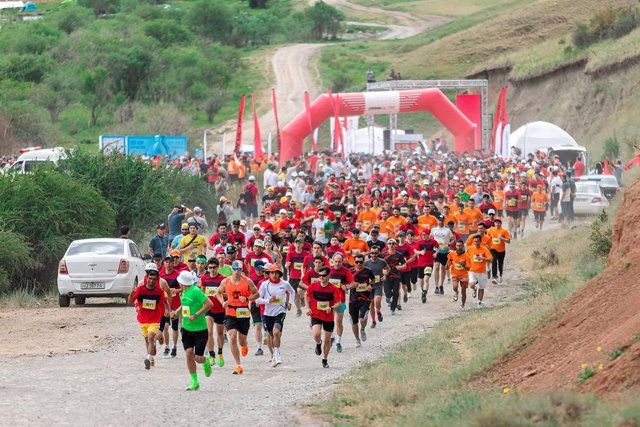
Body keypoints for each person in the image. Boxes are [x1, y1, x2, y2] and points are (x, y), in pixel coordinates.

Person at [217, 260, 260, 375]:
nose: (237, 272)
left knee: (241, 340)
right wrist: (222, 302)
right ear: (232, 270)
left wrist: (247, 299)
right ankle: (238, 365)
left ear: (242, 270)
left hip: (243, 312)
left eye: (239, 270)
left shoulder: (247, 281)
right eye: (235, 269)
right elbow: (218, 293)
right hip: (230, 312)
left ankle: (244, 345)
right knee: (232, 337)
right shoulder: (225, 281)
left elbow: (257, 294)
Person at [128, 263, 170, 370]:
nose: (151, 280)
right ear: (146, 275)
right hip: (143, 318)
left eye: (153, 278)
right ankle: (152, 353)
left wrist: (168, 310)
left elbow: (166, 299)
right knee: (148, 340)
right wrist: (132, 296)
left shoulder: (161, 287)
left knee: (151, 337)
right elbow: (132, 301)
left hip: (156, 317)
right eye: (147, 274)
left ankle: (148, 358)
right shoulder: (141, 287)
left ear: (157, 278)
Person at [176, 270, 213, 391]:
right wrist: (177, 311)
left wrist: (196, 315)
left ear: (182, 282)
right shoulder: (184, 291)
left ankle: (205, 361)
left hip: (200, 329)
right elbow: (186, 305)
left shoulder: (196, 291)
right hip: (186, 328)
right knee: (188, 354)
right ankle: (195, 381)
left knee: (198, 358)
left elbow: (209, 304)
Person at [255, 264, 295, 367]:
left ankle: (277, 355)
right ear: (268, 274)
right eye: (272, 273)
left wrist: (290, 303)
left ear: (279, 274)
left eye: (276, 273)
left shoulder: (284, 283)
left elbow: (292, 292)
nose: (274, 275)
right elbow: (258, 300)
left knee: (276, 332)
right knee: (271, 335)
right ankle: (273, 355)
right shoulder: (264, 284)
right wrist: (268, 300)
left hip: (280, 311)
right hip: (268, 313)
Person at [305, 266, 343, 368]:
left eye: (323, 275)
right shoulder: (313, 286)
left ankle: (325, 359)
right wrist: (307, 308)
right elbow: (306, 295)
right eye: (320, 275)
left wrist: (331, 307)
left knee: (327, 339)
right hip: (316, 314)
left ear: (329, 276)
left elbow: (338, 303)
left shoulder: (334, 289)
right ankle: (318, 343)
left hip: (328, 316)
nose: (321, 277)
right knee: (316, 334)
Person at [201, 257, 226, 368]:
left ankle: (220, 353)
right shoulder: (204, 278)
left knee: (220, 333)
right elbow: (202, 294)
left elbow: (227, 294)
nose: (212, 270)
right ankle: (211, 355)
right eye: (210, 268)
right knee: (209, 332)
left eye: (214, 267)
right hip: (209, 309)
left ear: (217, 267)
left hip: (220, 309)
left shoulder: (223, 279)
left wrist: (219, 294)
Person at [328, 253, 354, 353]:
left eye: (339, 262)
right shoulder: (328, 270)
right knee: (329, 320)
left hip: (340, 299)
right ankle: (332, 337)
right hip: (329, 299)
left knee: (338, 321)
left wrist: (346, 287)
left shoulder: (346, 271)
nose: (338, 264)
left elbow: (353, 283)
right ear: (332, 261)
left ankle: (338, 341)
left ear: (342, 262)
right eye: (336, 261)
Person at [348, 254, 374, 348]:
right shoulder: (350, 271)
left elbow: (373, 280)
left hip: (365, 298)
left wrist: (370, 286)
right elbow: (346, 285)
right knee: (354, 322)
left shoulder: (368, 271)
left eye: (361, 262)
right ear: (354, 262)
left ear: (364, 262)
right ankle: (357, 340)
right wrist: (352, 285)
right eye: (356, 262)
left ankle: (362, 329)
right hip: (353, 300)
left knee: (363, 318)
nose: (358, 264)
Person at [466, 234, 493, 308]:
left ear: (480, 241)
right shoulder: (470, 248)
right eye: (474, 241)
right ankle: (474, 289)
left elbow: (491, 259)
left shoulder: (484, 249)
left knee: (481, 288)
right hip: (472, 271)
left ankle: (479, 302)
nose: (476, 243)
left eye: (477, 241)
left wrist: (483, 258)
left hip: (482, 272)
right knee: (471, 284)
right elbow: (466, 257)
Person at [364, 246, 388, 328]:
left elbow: (387, 269)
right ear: (370, 253)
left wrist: (385, 275)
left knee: (377, 301)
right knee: (371, 304)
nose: (374, 255)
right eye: (372, 253)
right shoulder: (366, 263)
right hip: (370, 286)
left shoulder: (382, 262)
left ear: (378, 253)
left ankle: (378, 310)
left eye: (375, 253)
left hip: (378, 284)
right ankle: (373, 321)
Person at [382, 238, 407, 315]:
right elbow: (380, 264)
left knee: (396, 292)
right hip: (386, 276)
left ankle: (393, 308)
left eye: (393, 243)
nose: (391, 245)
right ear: (387, 245)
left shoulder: (399, 255)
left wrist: (400, 267)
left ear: (396, 245)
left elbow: (405, 265)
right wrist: (383, 272)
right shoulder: (383, 254)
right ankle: (388, 297)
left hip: (396, 275)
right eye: (389, 243)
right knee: (388, 293)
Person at [430, 215, 454, 296]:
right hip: (436, 250)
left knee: (443, 268)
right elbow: (430, 238)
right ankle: (436, 286)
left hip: (445, 251)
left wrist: (449, 244)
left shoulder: (447, 230)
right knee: (436, 267)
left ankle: (441, 285)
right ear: (437, 221)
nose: (440, 222)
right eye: (439, 220)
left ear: (444, 221)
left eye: (442, 220)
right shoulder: (434, 229)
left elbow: (454, 239)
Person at [445, 240, 471, 310]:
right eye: (457, 246)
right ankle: (456, 292)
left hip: (464, 275)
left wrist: (464, 265)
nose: (458, 247)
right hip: (455, 273)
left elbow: (468, 268)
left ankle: (463, 305)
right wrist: (447, 266)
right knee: (455, 286)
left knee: (463, 291)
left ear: (463, 246)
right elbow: (450, 259)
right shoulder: (452, 253)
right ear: (455, 246)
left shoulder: (467, 256)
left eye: (460, 246)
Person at [487, 217, 510, 283]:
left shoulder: (504, 231)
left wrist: (502, 238)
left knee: (500, 263)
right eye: (496, 222)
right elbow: (488, 239)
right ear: (494, 223)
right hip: (493, 249)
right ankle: (494, 277)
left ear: (501, 223)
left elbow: (508, 241)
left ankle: (500, 275)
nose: (497, 224)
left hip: (501, 250)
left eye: (499, 222)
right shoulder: (491, 230)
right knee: (494, 261)